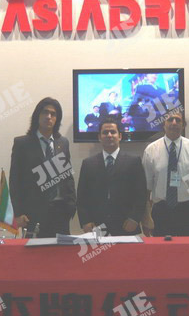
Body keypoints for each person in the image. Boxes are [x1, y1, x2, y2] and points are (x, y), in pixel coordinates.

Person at [9, 97, 76, 238]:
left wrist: (71, 205)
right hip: (33, 214)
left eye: (53, 114)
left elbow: (68, 177)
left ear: (57, 119)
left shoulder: (63, 143)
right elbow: (15, 181)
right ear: (37, 115)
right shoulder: (22, 144)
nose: (48, 116)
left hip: (60, 212)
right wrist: (18, 213)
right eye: (45, 112)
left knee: (62, 251)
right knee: (35, 251)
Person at [141, 111, 189, 237]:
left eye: (178, 120)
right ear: (163, 124)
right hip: (161, 210)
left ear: (183, 125)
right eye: (170, 119)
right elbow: (146, 188)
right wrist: (146, 216)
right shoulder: (151, 150)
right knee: (162, 249)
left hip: (188, 210)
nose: (174, 123)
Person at [77, 117, 147, 236]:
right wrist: (85, 221)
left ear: (120, 136)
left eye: (113, 132)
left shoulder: (134, 161)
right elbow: (82, 196)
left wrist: (135, 219)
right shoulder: (88, 163)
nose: (109, 135)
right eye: (105, 132)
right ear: (99, 137)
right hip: (97, 226)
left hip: (126, 225)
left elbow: (141, 194)